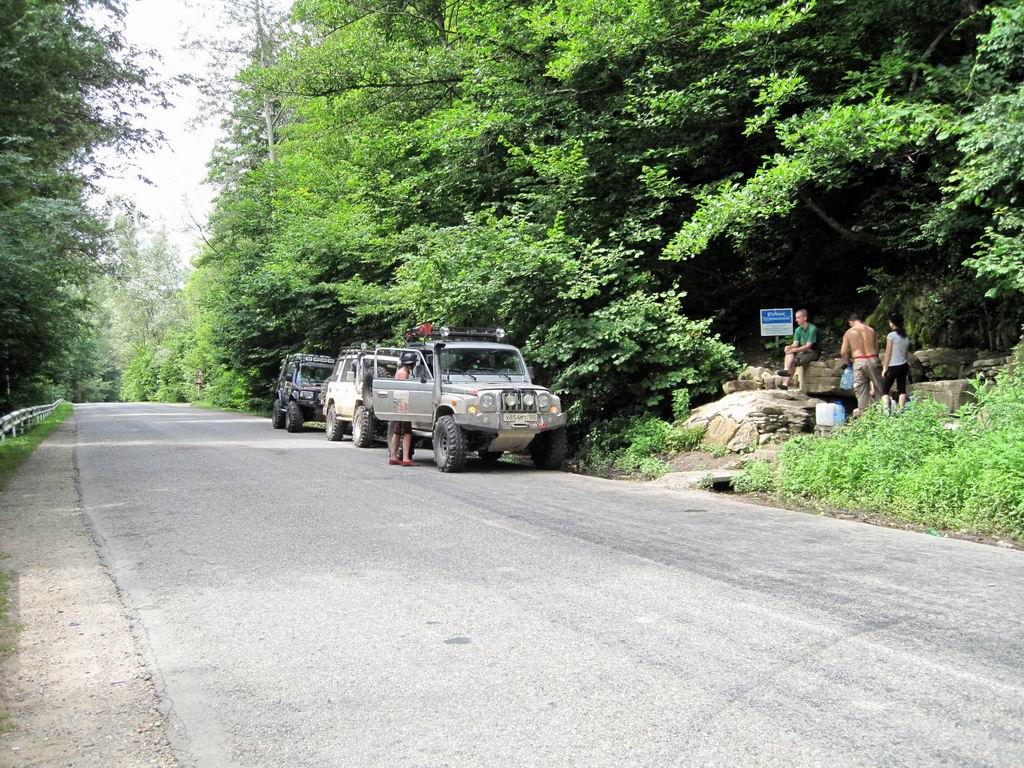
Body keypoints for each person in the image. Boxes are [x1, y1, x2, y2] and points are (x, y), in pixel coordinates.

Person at [840, 312, 885, 417]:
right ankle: (883, 414)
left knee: (861, 391)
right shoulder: (871, 330)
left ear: (850, 322)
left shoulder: (849, 332)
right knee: (880, 388)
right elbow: (876, 349)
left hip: (859, 361)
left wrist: (848, 363)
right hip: (873, 359)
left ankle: (864, 416)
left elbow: (844, 352)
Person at [389, 351, 418, 467]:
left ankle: (393, 457)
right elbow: (405, 391)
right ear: (411, 364)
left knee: (397, 431)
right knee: (407, 432)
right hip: (403, 404)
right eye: (414, 363)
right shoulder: (404, 373)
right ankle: (406, 458)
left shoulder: (399, 371)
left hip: (398, 404)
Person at [777, 309, 820, 386]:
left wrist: (794, 350)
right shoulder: (798, 330)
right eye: (796, 318)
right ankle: (785, 372)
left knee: (793, 361)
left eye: (798, 317)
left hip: (813, 352)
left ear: (805, 318)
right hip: (803, 352)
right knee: (789, 353)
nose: (796, 320)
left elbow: (808, 346)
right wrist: (789, 347)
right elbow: (795, 344)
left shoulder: (812, 329)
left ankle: (785, 383)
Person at [881, 312, 911, 414]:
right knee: (902, 389)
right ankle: (901, 410)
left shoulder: (891, 336)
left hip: (893, 366)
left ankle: (887, 412)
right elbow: (906, 353)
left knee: (885, 390)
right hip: (904, 366)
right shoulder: (905, 337)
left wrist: (885, 368)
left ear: (892, 323)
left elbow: (888, 353)